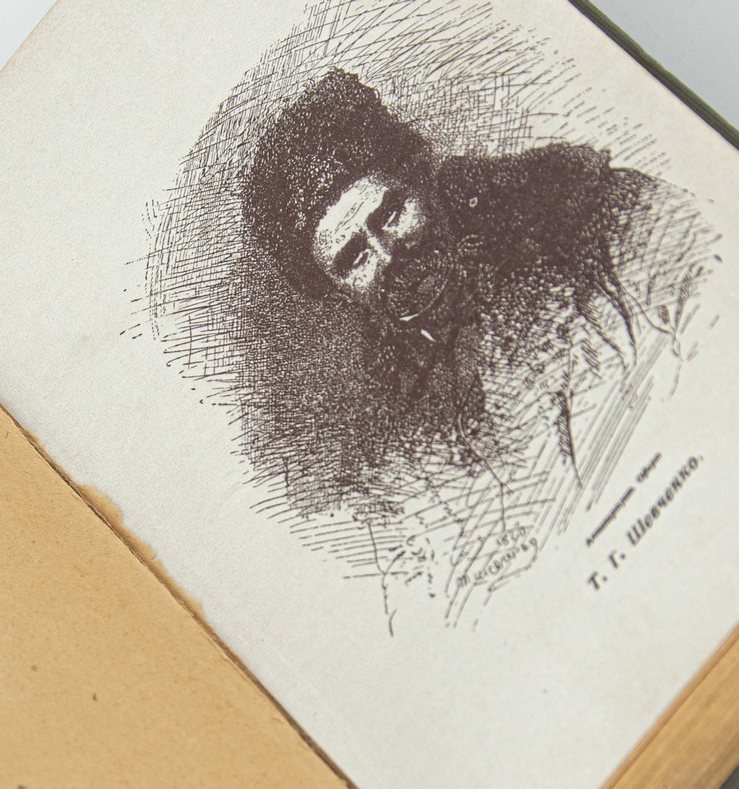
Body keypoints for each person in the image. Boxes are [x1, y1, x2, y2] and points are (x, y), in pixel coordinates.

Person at [234, 69, 709, 622]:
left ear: (419, 178)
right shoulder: (394, 427)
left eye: (390, 214)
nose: (391, 255)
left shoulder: (585, 211)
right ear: (338, 290)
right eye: (354, 257)